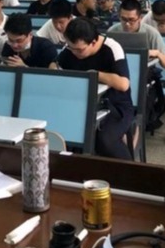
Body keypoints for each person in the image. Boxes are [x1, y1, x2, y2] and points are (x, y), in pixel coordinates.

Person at [52, 18, 135, 160]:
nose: (75, 53)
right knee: (60, 133)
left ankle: (130, 171)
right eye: (71, 48)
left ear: (94, 42)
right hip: (79, 105)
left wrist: (95, 75)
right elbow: (54, 66)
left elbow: (123, 84)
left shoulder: (112, 48)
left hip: (115, 106)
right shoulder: (71, 48)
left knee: (105, 140)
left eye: (80, 50)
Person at [108, 0, 165, 70]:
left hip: (145, 71)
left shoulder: (151, 33)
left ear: (140, 18)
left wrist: (158, 54)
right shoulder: (112, 32)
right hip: (118, 71)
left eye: (131, 20)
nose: (127, 24)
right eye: (123, 19)